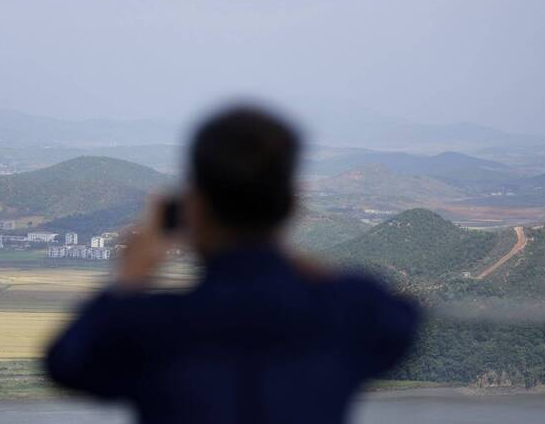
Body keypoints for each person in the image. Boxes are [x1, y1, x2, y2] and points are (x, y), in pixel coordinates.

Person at [46, 105, 420, 424]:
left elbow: (66, 363)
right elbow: (400, 322)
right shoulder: (343, 313)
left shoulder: (152, 326)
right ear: (289, 204)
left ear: (195, 208)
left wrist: (131, 275)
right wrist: (277, 247)